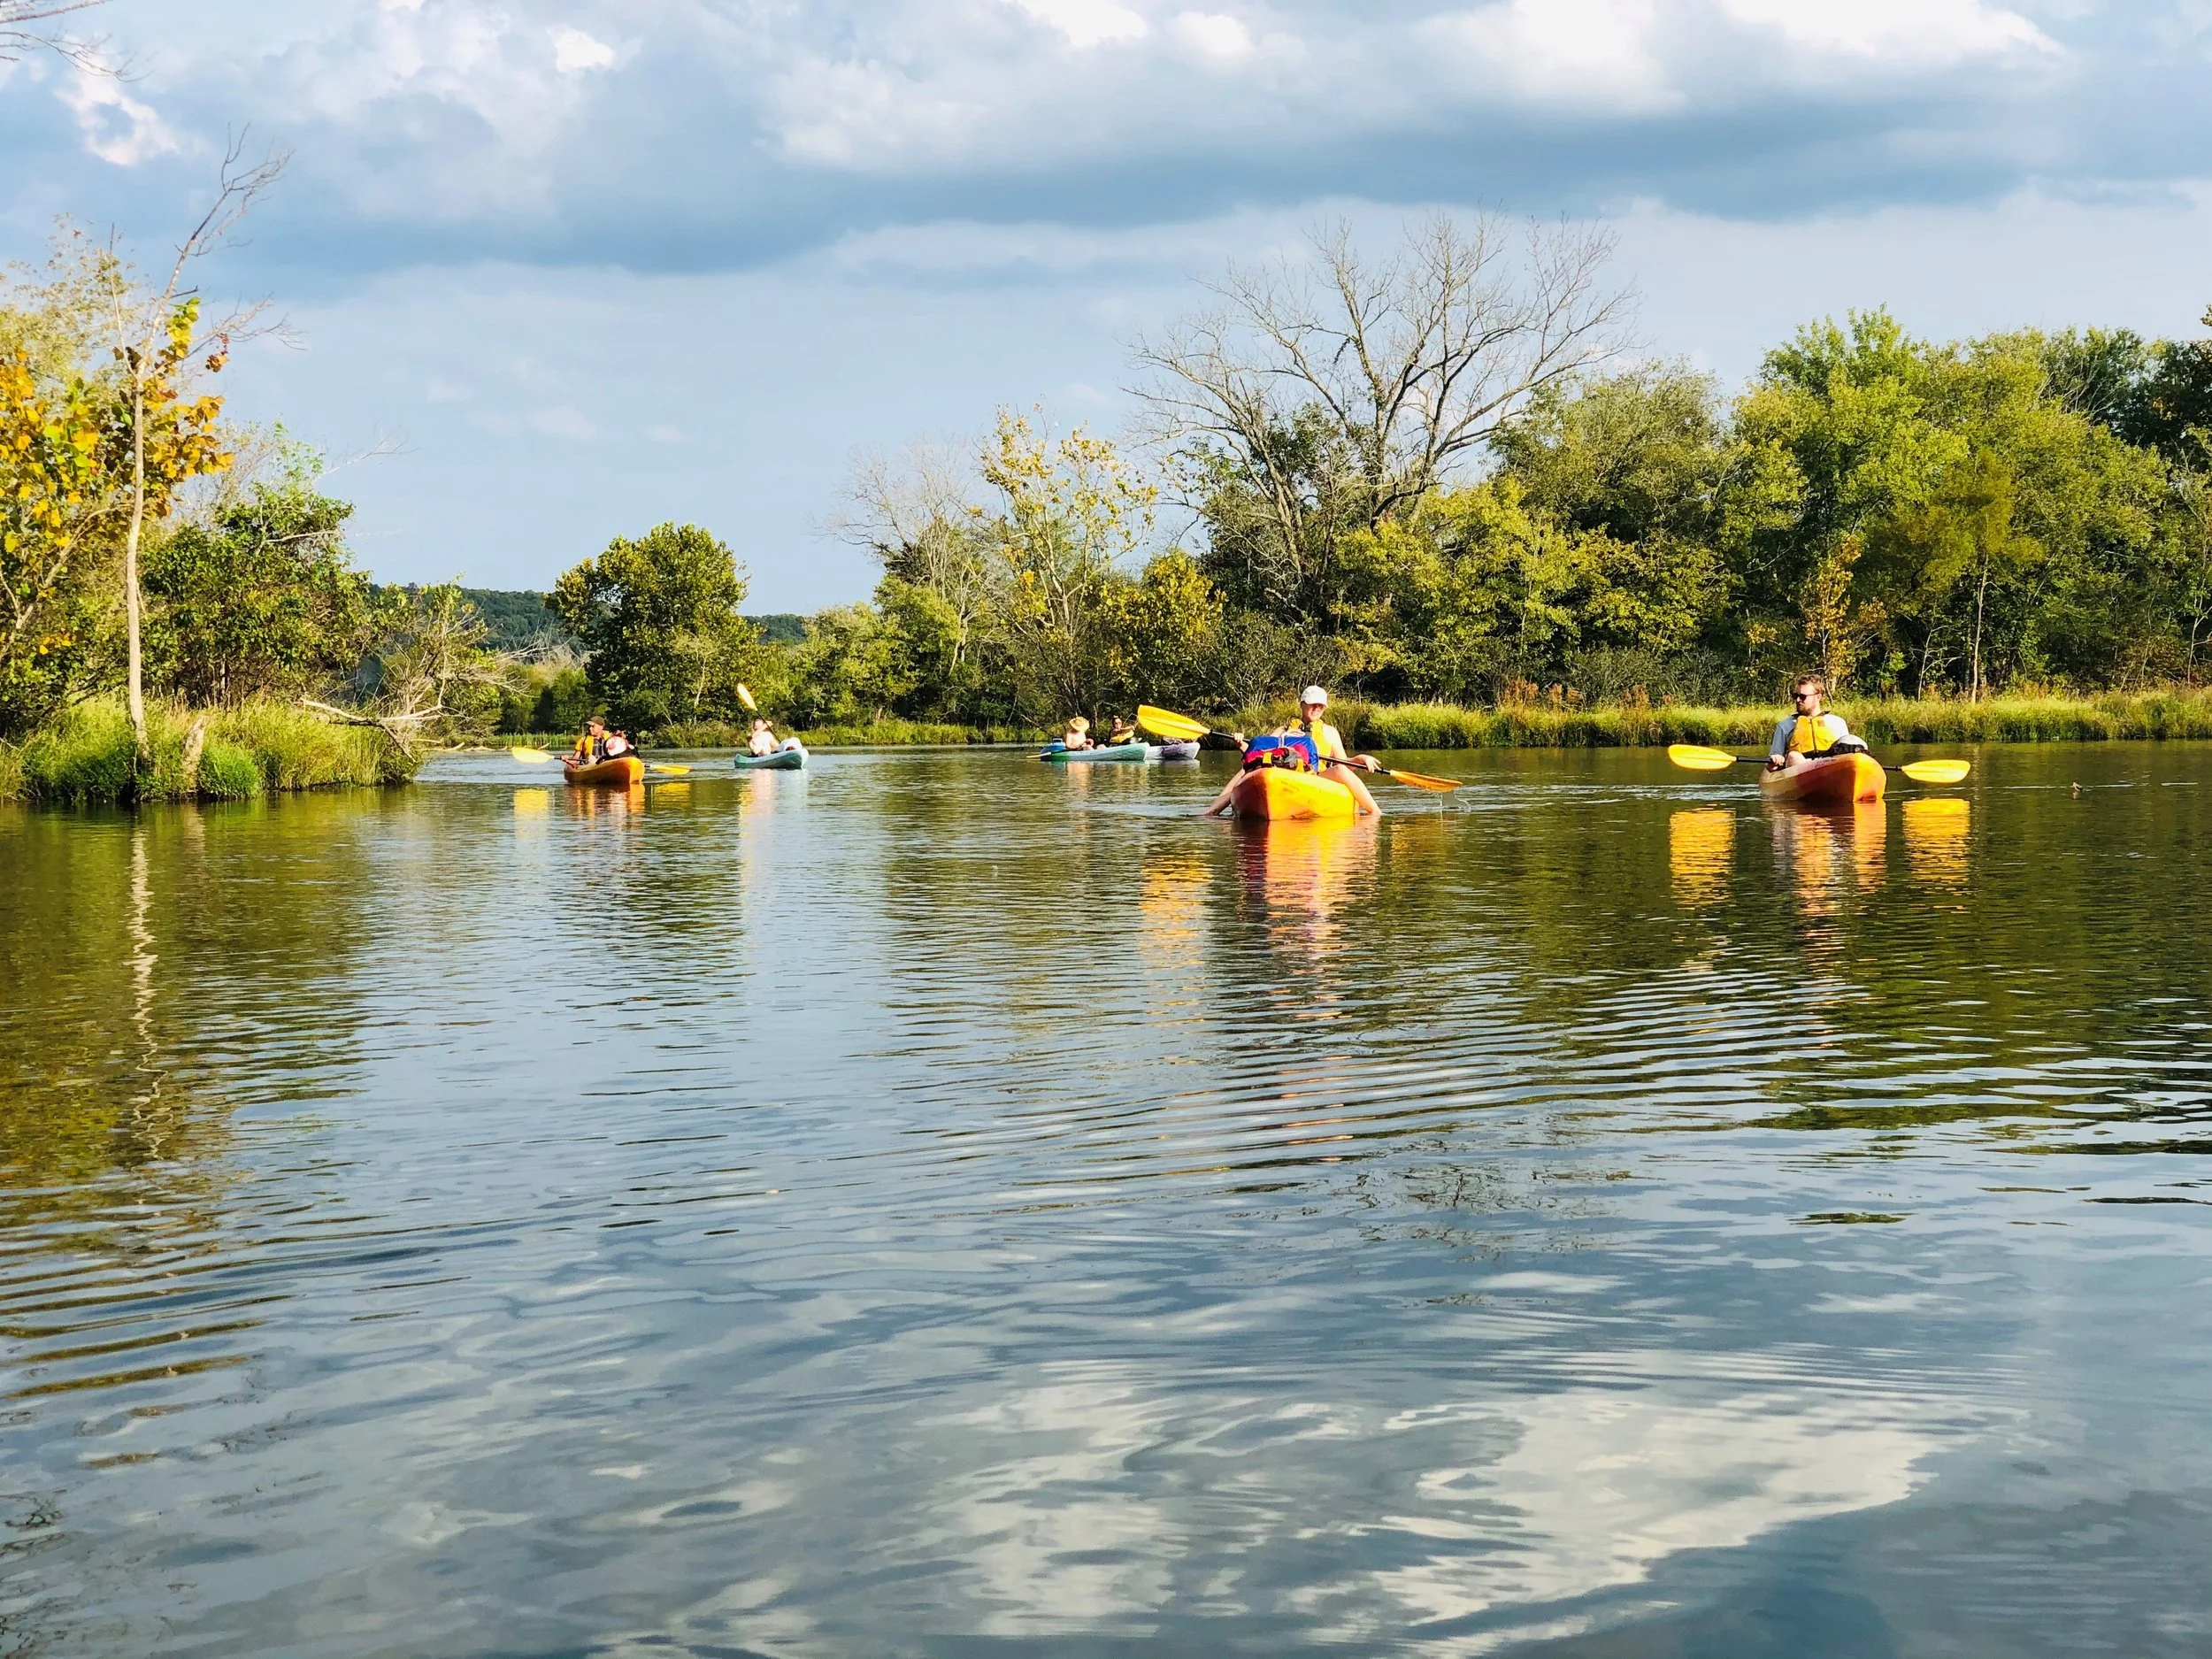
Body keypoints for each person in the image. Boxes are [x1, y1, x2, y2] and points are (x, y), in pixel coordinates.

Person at [1200, 686, 1382, 817]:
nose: (1316, 709)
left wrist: (1359, 759)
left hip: (1315, 777)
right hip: (1284, 774)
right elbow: (1259, 758)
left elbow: (1344, 765)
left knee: (1341, 770)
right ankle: (1213, 810)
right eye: (1312, 704)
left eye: (1320, 706)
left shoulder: (1330, 732)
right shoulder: (1282, 731)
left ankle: (1375, 812)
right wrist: (1240, 744)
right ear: (1302, 704)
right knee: (1244, 770)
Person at [1768, 674, 1869, 772]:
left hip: (1829, 766)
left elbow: (1845, 755)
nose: (1798, 700)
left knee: (1852, 740)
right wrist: (1776, 759)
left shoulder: (1837, 723)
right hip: (1799, 769)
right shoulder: (1785, 726)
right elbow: (1772, 764)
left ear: (1818, 697)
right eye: (1796, 696)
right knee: (1793, 756)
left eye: (1803, 697)